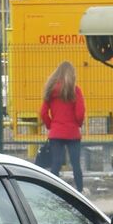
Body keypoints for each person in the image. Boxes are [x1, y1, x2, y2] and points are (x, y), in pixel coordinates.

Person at [40, 61, 86, 191]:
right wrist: (78, 123)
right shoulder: (75, 90)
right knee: (76, 164)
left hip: (56, 132)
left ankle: (52, 191)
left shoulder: (50, 91)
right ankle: (80, 190)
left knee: (56, 164)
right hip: (72, 133)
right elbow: (80, 112)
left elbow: (43, 113)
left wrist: (51, 125)